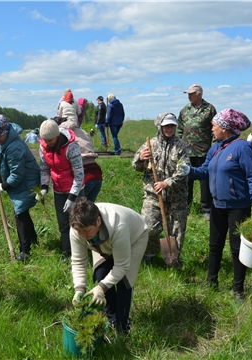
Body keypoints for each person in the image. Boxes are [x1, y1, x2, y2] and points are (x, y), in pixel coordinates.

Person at [189, 108, 252, 304]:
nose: (211, 129)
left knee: (237, 248)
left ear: (225, 127)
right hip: (217, 205)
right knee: (214, 246)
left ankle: (238, 290)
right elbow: (204, 171)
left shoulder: (242, 148)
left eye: (214, 125)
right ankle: (211, 282)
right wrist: (188, 171)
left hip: (237, 206)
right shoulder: (215, 148)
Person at [69, 198, 149, 335]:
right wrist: (79, 288)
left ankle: (123, 328)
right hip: (103, 241)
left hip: (134, 237)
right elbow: (78, 260)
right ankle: (112, 320)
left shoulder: (118, 226)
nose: (82, 235)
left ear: (98, 221)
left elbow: (122, 266)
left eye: (86, 231)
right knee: (101, 273)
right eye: (79, 231)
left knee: (124, 282)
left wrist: (101, 288)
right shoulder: (78, 229)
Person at [132, 113, 190, 267]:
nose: (169, 129)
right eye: (166, 126)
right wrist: (141, 159)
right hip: (153, 196)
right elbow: (136, 167)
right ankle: (150, 254)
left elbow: (185, 170)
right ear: (160, 127)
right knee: (148, 227)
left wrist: (168, 182)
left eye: (172, 126)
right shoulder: (150, 145)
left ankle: (173, 259)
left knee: (176, 232)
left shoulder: (181, 146)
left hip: (177, 197)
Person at [0, 115, 41, 261]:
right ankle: (33, 240)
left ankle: (25, 251)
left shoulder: (14, 147)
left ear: (6, 131)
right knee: (22, 212)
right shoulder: (1, 138)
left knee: (20, 212)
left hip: (27, 182)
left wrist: (2, 186)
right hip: (21, 181)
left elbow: (17, 175)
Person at [38, 119, 84, 260]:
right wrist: (44, 187)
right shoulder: (43, 147)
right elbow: (44, 169)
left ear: (57, 135)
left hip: (75, 190)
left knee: (79, 222)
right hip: (58, 190)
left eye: (50, 140)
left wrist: (72, 197)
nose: (47, 143)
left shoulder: (72, 147)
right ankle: (68, 252)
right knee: (63, 224)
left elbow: (79, 174)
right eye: (45, 140)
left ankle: (81, 253)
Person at [177, 84, 217, 220]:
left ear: (199, 94)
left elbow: (215, 129)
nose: (189, 96)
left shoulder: (210, 109)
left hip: (204, 152)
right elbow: (179, 130)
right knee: (186, 180)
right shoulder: (184, 110)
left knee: (205, 182)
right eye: (188, 94)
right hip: (187, 152)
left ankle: (206, 209)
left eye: (192, 93)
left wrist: (215, 147)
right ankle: (186, 207)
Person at [58, 117, 103, 202]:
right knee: (88, 212)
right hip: (96, 174)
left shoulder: (63, 134)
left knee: (76, 212)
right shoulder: (82, 131)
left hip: (84, 175)